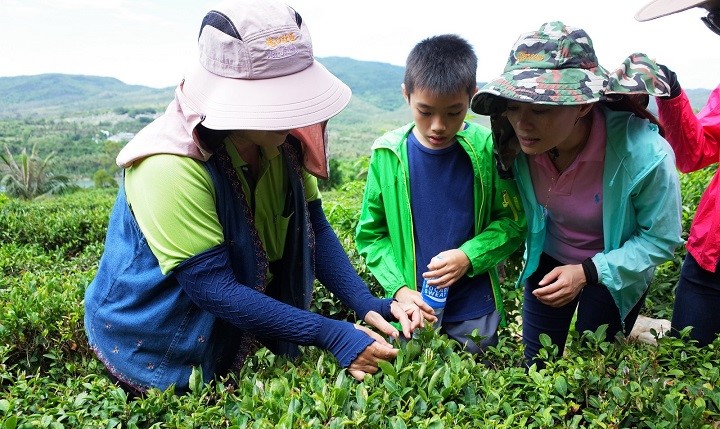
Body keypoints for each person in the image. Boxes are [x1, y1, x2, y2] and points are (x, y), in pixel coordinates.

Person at [83, 0, 424, 395]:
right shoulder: (169, 166)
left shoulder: (283, 146)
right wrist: (331, 333)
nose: (293, 114)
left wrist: (366, 303)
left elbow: (313, 229)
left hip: (229, 325)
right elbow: (213, 287)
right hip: (153, 337)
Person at [470, 21, 683, 368]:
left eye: (540, 109)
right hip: (549, 256)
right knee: (536, 364)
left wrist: (588, 272)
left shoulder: (643, 155)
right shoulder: (514, 145)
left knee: (594, 363)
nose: (522, 123)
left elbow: (660, 239)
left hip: (615, 267)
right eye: (514, 105)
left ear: (583, 105)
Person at [355, 34, 527, 355]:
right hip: (414, 306)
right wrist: (400, 288)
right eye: (425, 111)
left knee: (479, 375)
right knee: (415, 379)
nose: (438, 125)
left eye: (453, 112)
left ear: (472, 97)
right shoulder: (388, 154)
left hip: (475, 303)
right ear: (406, 95)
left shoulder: (487, 149)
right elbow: (370, 235)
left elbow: (513, 222)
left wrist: (468, 256)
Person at [635, 0, 720, 346]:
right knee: (686, 356)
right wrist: (670, 92)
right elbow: (695, 153)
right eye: (715, 20)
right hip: (709, 258)